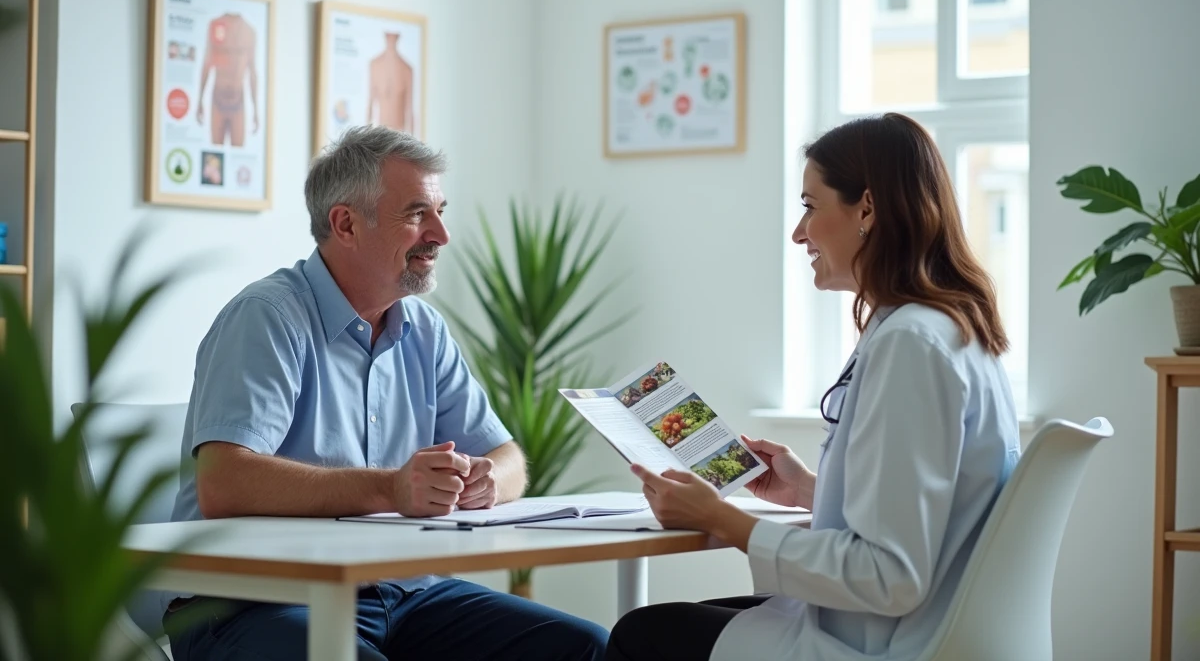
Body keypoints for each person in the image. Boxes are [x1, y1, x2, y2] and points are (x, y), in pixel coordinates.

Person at [162, 125, 608, 660]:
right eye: (418, 213)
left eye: (441, 210)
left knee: (583, 648)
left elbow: (508, 457)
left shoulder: (424, 329)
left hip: (403, 593)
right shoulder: (268, 317)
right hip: (253, 602)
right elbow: (223, 483)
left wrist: (488, 482)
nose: (441, 234)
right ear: (346, 223)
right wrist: (391, 489)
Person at [607, 113, 1021, 661]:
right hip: (900, 621)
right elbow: (919, 507)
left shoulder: (911, 344)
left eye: (810, 206)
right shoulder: (948, 328)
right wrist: (807, 489)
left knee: (642, 636)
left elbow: (889, 575)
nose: (798, 232)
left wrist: (721, 519)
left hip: (884, 637)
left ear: (867, 209)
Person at [196, 12, 260, 147]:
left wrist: (256, 110)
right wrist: (199, 100)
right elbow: (207, 64)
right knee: (214, 155)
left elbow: (252, 72)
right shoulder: (216, 25)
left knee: (237, 154)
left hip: (238, 101)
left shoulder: (249, 32)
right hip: (218, 98)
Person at [366, 31, 416, 134]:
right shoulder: (375, 65)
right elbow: (370, 103)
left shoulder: (406, 69)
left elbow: (409, 109)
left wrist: (413, 142)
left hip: (399, 136)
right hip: (380, 136)